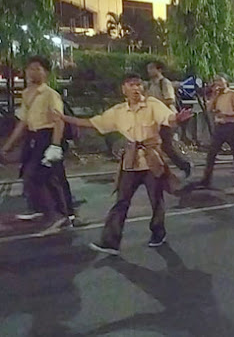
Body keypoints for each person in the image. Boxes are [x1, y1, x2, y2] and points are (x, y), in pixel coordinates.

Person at [54, 73, 191, 255]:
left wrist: (177, 118)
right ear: (123, 89)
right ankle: (111, 242)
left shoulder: (152, 104)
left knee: (156, 200)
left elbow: (168, 117)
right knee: (121, 201)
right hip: (131, 161)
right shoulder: (118, 111)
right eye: (131, 85)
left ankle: (158, 233)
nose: (136, 88)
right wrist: (65, 118)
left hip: (151, 160)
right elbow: (94, 122)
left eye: (138, 84)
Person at [1, 56, 72, 235]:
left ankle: (58, 215)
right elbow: (23, 122)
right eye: (30, 68)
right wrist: (8, 146)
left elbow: (59, 121)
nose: (32, 72)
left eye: (37, 68)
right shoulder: (27, 94)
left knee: (39, 176)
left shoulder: (50, 94)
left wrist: (55, 145)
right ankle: (46, 211)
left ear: (45, 72)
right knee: (33, 174)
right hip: (34, 137)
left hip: (48, 136)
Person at [198, 74, 234, 190]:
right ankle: (206, 179)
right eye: (216, 82)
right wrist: (214, 96)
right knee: (211, 153)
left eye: (221, 81)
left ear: (226, 82)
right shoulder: (216, 96)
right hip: (219, 127)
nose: (218, 84)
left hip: (230, 125)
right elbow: (209, 109)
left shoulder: (232, 94)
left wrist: (228, 114)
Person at [145, 61, 192, 178]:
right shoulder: (150, 84)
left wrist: (155, 104)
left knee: (166, 146)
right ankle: (158, 171)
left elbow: (170, 99)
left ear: (159, 70)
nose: (149, 71)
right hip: (154, 119)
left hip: (166, 118)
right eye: (148, 69)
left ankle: (184, 165)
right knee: (154, 145)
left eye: (152, 68)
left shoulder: (164, 83)